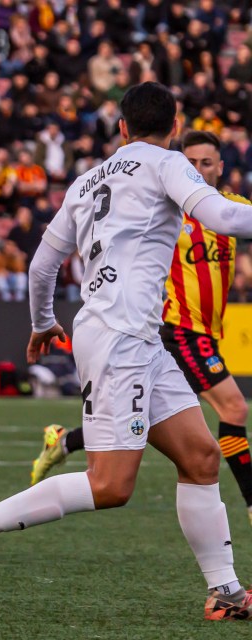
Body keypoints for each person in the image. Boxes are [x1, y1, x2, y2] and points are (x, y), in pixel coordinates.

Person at [0, 82, 252, 620]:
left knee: (200, 457)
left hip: (131, 336)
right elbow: (223, 218)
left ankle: (225, 592)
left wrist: (41, 323)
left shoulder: (88, 180)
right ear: (174, 128)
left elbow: (41, 266)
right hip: (120, 338)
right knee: (110, 485)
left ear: (122, 127)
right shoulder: (167, 164)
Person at [30, 131, 252, 522]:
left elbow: (234, 222)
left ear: (220, 166)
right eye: (193, 161)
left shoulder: (234, 206)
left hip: (196, 333)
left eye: (207, 163)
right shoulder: (169, 204)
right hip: (174, 329)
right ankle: (251, 502)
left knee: (157, 425)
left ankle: (64, 440)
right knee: (231, 407)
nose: (198, 168)